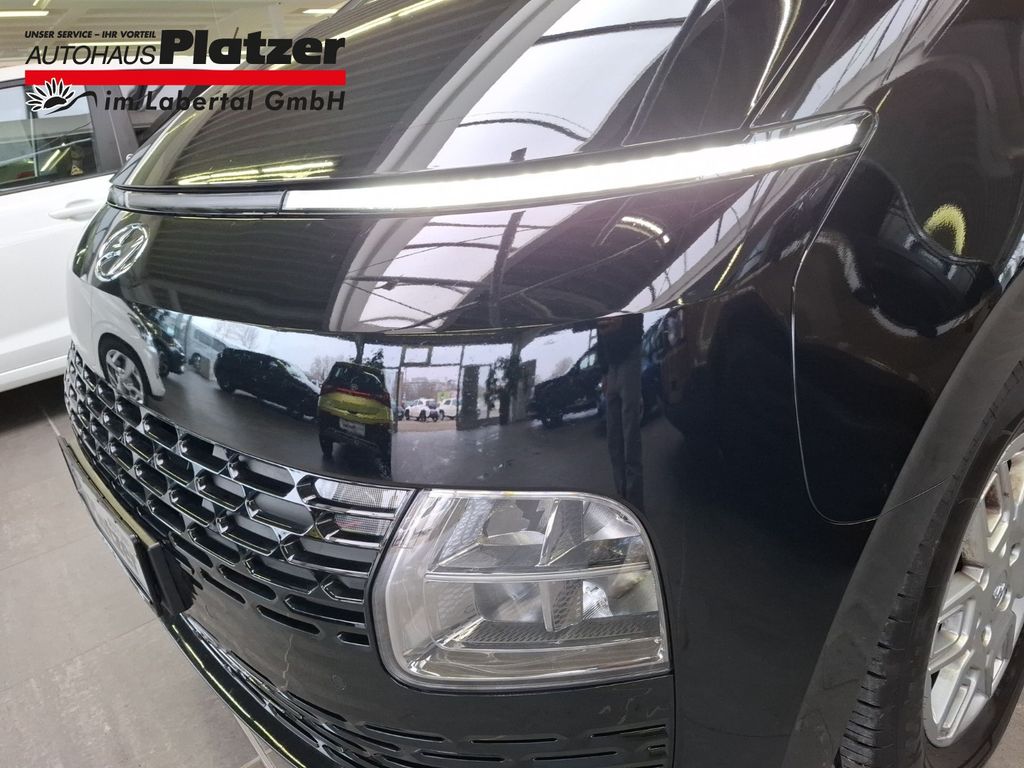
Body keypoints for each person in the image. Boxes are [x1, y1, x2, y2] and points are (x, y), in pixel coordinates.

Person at [596, 313, 644, 508]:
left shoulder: (628, 301)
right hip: (611, 368)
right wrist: (604, 371)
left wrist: (617, 329)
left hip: (629, 359)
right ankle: (622, 500)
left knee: (630, 435)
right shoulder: (602, 303)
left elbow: (637, 326)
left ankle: (636, 505)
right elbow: (600, 333)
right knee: (613, 440)